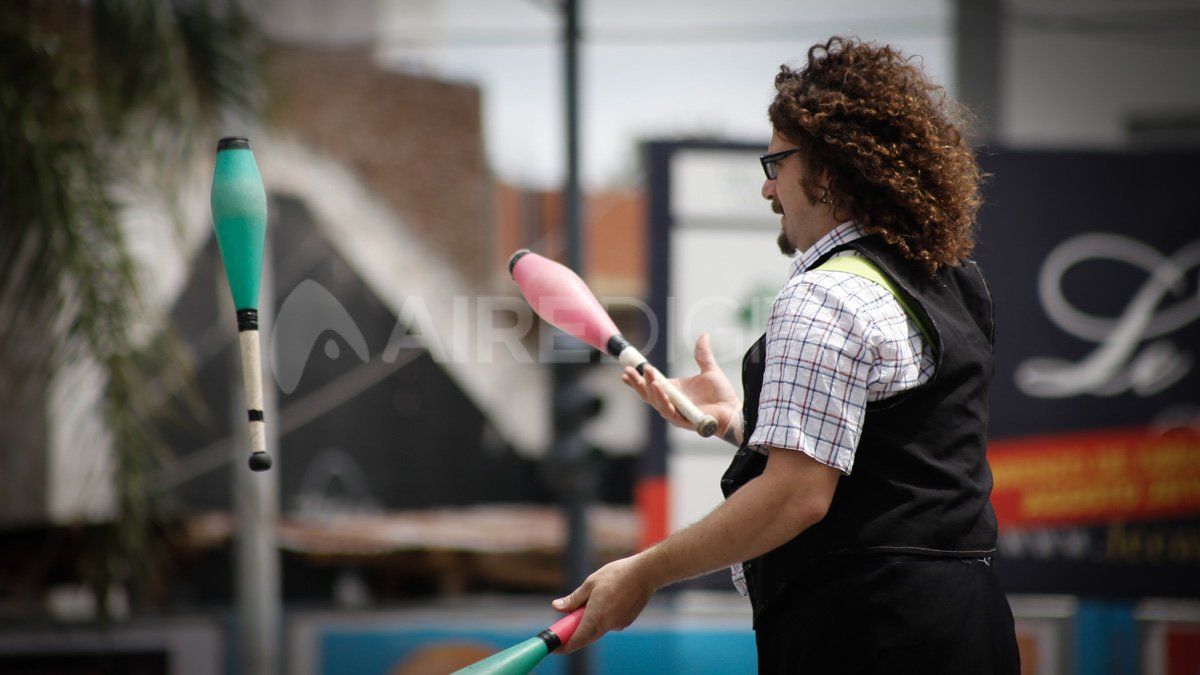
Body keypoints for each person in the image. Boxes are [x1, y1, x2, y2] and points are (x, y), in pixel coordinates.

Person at [550, 36, 1020, 673]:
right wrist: (738, 423)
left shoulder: (825, 291)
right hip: (973, 629)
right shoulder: (957, 281)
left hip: (867, 635)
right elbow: (895, 456)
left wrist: (641, 573)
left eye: (776, 165)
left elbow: (797, 496)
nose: (768, 190)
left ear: (826, 169)